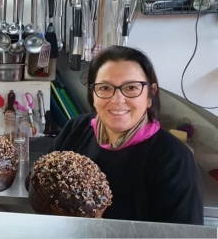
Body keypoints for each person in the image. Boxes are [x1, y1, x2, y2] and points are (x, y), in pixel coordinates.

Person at [40, 46, 203, 224]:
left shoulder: (174, 158)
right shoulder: (76, 129)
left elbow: (185, 233)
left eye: (131, 87)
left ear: (150, 95)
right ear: (93, 94)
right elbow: (36, 185)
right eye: (104, 88)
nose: (117, 99)